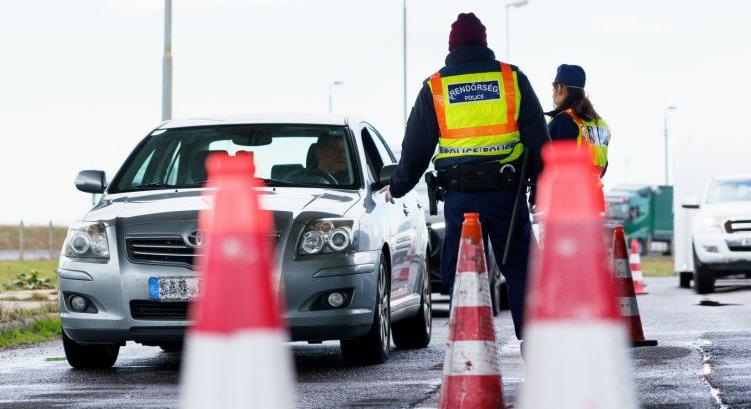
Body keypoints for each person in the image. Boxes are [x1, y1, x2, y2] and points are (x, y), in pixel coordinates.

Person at [379, 12, 550, 340]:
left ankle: (467, 345)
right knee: (522, 270)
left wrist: (398, 187)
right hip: (507, 194)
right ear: (485, 43)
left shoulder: (436, 86)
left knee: (461, 269)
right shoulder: (511, 79)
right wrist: (539, 192)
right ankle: (536, 344)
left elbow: (416, 149)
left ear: (452, 46)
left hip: (461, 197)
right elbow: (540, 142)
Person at [546, 64, 611, 178]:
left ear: (561, 88)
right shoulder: (601, 124)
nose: (552, 95)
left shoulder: (563, 122)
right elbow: (604, 165)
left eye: (553, 89)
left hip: (567, 191)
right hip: (594, 192)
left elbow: (545, 162)